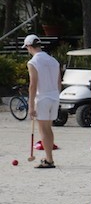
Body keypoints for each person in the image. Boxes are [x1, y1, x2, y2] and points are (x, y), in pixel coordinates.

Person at [24, 34, 61, 168]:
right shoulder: (54, 61)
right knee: (48, 128)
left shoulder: (33, 62)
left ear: (29, 46)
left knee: (43, 129)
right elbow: (59, 82)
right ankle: (48, 157)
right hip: (54, 97)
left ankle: (49, 160)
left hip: (43, 98)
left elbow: (33, 85)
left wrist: (31, 106)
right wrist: (56, 95)